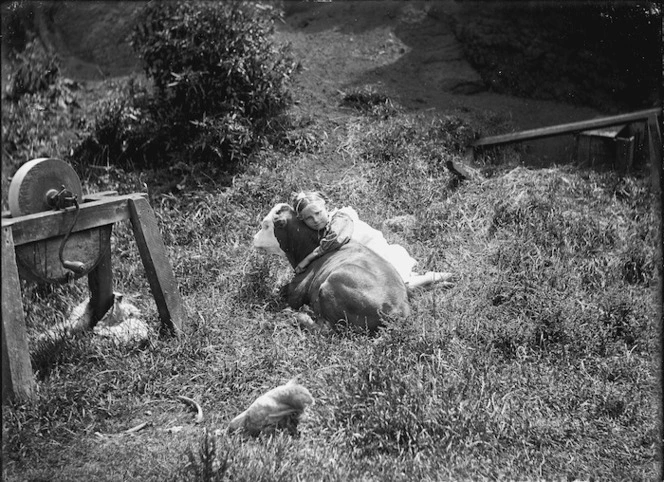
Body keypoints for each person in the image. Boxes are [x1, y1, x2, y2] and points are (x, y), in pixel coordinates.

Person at [291, 191, 454, 289]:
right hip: (366, 261)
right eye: (308, 218)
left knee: (399, 285)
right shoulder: (323, 229)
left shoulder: (340, 218)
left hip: (379, 253)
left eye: (318, 213)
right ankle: (432, 285)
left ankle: (436, 276)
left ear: (325, 206)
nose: (315, 219)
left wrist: (308, 258)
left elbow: (335, 240)